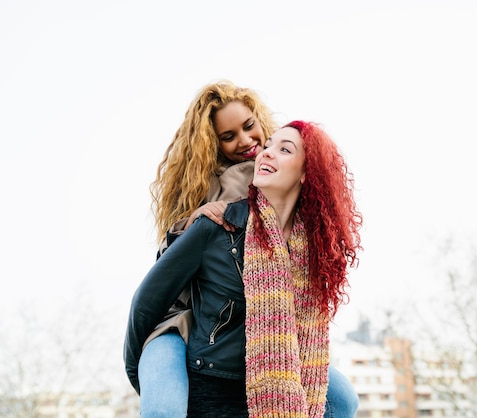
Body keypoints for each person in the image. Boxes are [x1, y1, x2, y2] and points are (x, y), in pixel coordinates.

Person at [132, 81, 359, 417]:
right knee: (163, 408)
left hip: (252, 327)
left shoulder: (277, 174)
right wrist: (191, 223)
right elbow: (159, 283)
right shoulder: (207, 189)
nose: (246, 142)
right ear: (213, 142)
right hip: (183, 320)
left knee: (341, 401)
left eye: (249, 127)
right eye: (229, 136)